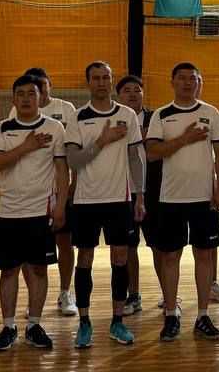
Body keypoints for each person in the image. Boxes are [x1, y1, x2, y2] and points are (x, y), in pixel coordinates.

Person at [143, 62, 219, 342]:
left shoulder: (211, 113)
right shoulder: (161, 114)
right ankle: (171, 314)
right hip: (170, 198)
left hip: (204, 198)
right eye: (182, 78)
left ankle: (203, 315)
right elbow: (152, 152)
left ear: (199, 82)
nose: (187, 83)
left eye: (193, 78)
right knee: (170, 256)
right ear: (172, 82)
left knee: (204, 256)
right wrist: (185, 138)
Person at [64, 61, 144, 348]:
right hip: (86, 201)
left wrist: (140, 195)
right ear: (88, 82)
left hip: (120, 201)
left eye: (106, 78)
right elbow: (74, 161)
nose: (101, 82)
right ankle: (84, 323)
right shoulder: (77, 117)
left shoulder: (127, 115)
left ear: (111, 81)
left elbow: (135, 158)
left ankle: (117, 321)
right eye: (96, 78)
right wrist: (103, 140)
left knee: (120, 260)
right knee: (84, 259)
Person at [0, 74, 68, 353]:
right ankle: (8, 326)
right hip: (9, 212)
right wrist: (26, 147)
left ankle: (34, 325)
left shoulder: (54, 128)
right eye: (20, 94)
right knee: (8, 270)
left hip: (40, 212)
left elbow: (62, 171)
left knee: (38, 269)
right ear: (13, 99)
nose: (25, 99)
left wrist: (60, 206)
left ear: (40, 97)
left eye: (31, 93)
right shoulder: (2, 128)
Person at [22, 68, 80, 319]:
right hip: (32, 193)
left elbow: (74, 150)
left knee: (65, 242)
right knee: (30, 250)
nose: (40, 91)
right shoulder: (17, 113)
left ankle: (66, 292)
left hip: (61, 189)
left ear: (49, 86)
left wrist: (74, 183)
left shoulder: (66, 109)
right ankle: (33, 297)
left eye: (43, 85)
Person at [116, 75, 152, 314]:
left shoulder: (156, 118)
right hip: (124, 192)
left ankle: (170, 298)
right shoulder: (113, 120)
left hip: (155, 191)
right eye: (127, 90)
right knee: (129, 247)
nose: (132, 94)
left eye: (137, 90)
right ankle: (134, 295)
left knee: (163, 248)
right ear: (118, 95)